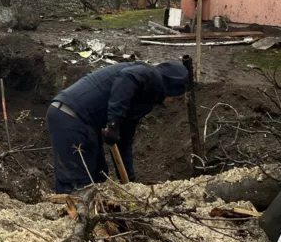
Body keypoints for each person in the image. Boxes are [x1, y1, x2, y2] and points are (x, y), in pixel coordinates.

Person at [47, 60, 190, 193]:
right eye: (177, 96)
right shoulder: (151, 76)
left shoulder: (143, 97)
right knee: (78, 183)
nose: (172, 101)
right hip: (70, 116)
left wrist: (129, 182)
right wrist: (114, 122)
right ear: (172, 86)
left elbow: (124, 140)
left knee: (98, 175)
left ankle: (92, 216)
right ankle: (70, 218)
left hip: (80, 120)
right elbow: (126, 78)